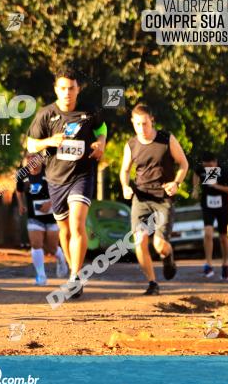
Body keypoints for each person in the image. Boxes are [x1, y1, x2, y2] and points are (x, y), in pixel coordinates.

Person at [26, 64, 106, 299]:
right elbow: (31, 145)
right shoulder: (45, 114)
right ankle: (75, 273)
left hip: (82, 174)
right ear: (56, 89)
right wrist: (49, 141)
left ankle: (74, 276)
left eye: (71, 88)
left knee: (78, 224)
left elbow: (102, 128)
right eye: (62, 88)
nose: (67, 93)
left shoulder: (89, 111)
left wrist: (101, 143)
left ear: (78, 89)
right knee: (64, 230)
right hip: (56, 178)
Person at [119, 104, 189, 295]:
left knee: (160, 245)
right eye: (138, 124)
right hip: (141, 198)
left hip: (163, 198)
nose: (142, 128)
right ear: (133, 124)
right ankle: (152, 283)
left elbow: (183, 163)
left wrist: (176, 182)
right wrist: (125, 186)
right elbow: (125, 170)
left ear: (152, 121)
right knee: (139, 240)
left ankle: (168, 256)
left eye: (145, 124)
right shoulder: (131, 145)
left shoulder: (166, 139)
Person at [16, 153, 68, 285]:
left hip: (52, 216)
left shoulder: (50, 171)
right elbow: (19, 190)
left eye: (33, 156)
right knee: (36, 244)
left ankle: (61, 259)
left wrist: (50, 202)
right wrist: (21, 204)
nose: (30, 160)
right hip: (34, 217)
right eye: (28, 157)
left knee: (52, 247)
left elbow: (60, 189)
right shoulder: (22, 174)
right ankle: (41, 276)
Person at [192, 153, 228, 280]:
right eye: (206, 165)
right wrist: (195, 189)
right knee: (208, 233)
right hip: (207, 205)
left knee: (223, 236)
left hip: (222, 207)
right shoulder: (201, 169)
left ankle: (225, 264)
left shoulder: (224, 170)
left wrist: (217, 186)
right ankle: (209, 263)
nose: (208, 167)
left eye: (210, 165)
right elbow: (195, 174)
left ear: (215, 162)